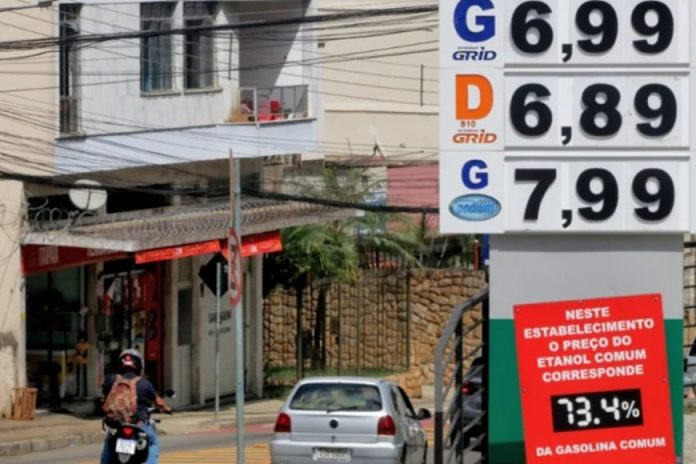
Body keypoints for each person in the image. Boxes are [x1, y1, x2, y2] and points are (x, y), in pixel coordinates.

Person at [100, 349, 171, 464]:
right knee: (152, 442)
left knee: (109, 441)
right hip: (138, 425)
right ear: (139, 365)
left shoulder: (111, 380)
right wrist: (167, 409)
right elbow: (159, 403)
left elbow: (103, 399)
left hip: (117, 426)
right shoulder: (145, 383)